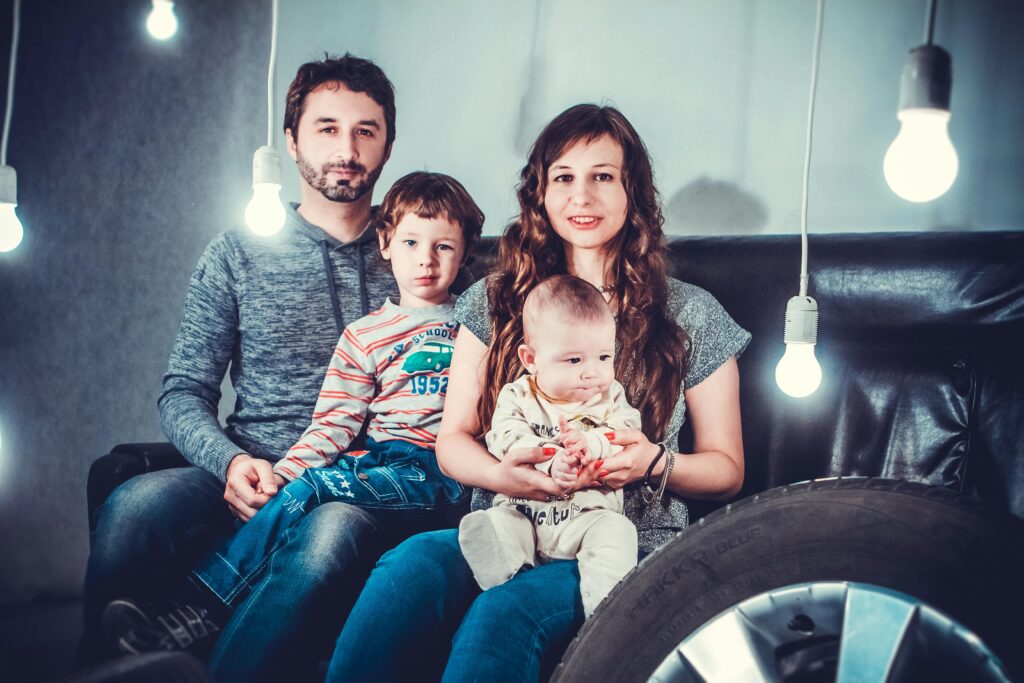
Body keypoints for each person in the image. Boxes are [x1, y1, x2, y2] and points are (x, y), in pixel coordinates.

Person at [326, 103, 751, 683]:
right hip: (511, 517)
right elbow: (453, 440)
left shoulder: (692, 314)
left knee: (506, 611)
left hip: (627, 541)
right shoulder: (492, 300)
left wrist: (649, 461)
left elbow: (728, 470)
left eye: (603, 176)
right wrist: (509, 476)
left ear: (634, 192)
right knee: (408, 568)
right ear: (541, 194)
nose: (582, 196)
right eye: (564, 178)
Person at [80, 54, 420, 681]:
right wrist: (231, 463)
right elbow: (183, 392)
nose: (346, 148)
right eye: (326, 128)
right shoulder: (238, 251)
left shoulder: (421, 254)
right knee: (133, 507)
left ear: (388, 145)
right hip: (249, 466)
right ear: (291, 142)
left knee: (327, 538)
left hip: (356, 481)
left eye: (365, 130)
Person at [109, 171, 482, 655]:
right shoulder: (363, 336)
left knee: (317, 494)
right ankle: (182, 628)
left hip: (444, 468)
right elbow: (334, 424)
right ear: (386, 242)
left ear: (466, 250)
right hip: (381, 461)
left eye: (444, 247)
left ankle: (197, 612)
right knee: (303, 486)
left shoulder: (477, 319)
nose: (427, 260)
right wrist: (279, 477)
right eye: (411, 242)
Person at [458, 274, 641, 618]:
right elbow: (504, 435)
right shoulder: (519, 395)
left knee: (618, 532)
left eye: (604, 357)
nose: (593, 373)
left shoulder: (610, 395)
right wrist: (549, 459)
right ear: (531, 359)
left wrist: (594, 444)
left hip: (586, 517)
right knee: (501, 523)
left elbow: (627, 430)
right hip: (524, 511)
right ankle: (502, 566)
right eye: (574, 360)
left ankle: (604, 604)